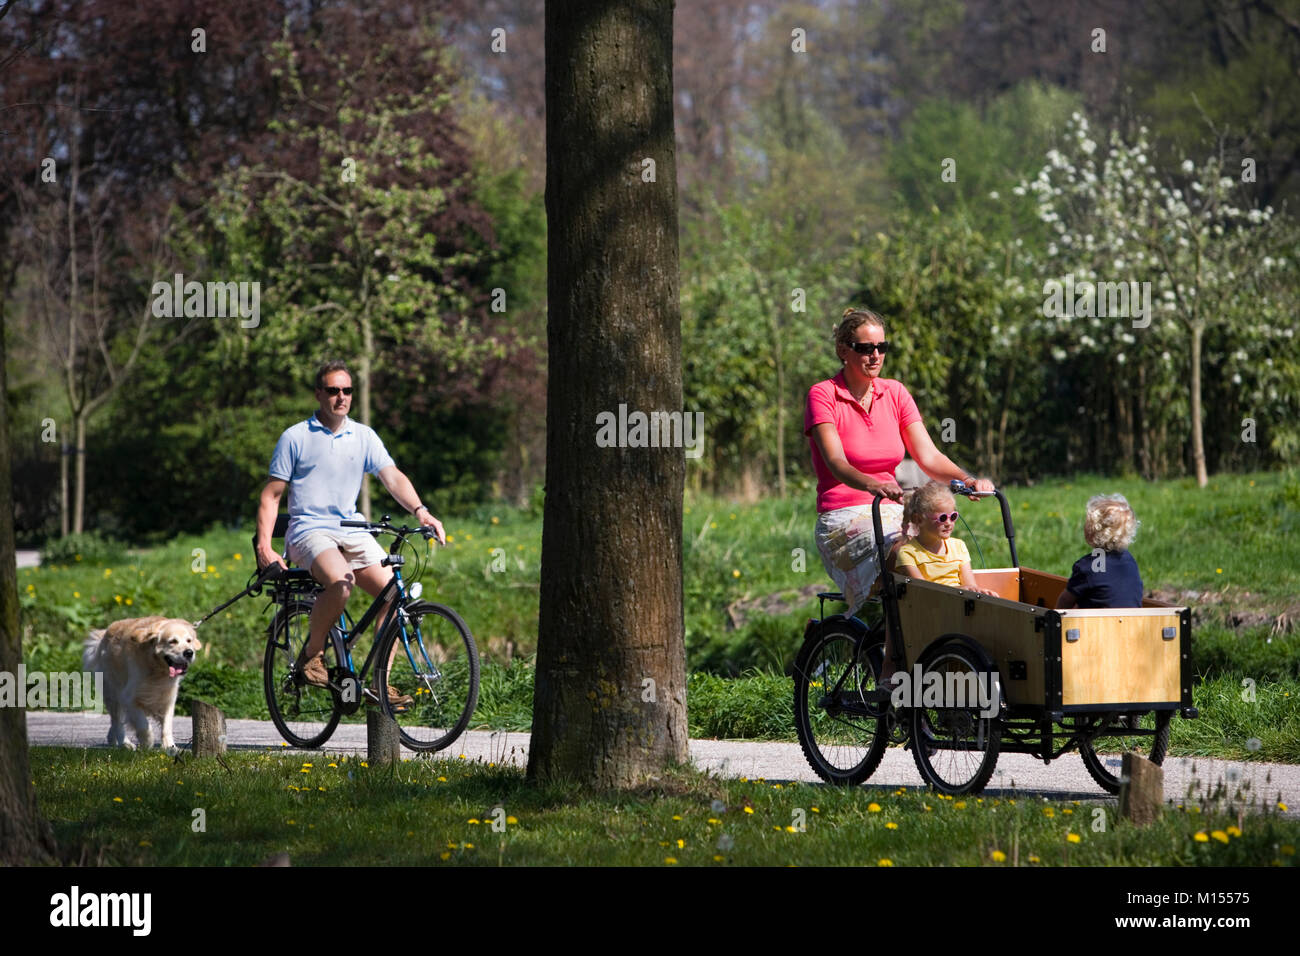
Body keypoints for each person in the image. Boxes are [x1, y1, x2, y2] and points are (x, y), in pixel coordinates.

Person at [805, 307, 994, 684]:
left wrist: (967, 479)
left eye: (882, 347)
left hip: (890, 510)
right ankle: (893, 665)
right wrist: (871, 482)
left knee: (940, 551)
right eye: (864, 347)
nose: (874, 355)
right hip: (843, 517)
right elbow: (836, 461)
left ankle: (937, 656)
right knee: (902, 554)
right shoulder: (823, 395)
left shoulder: (895, 393)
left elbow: (928, 456)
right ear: (844, 349)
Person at [254, 360, 446, 705]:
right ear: (318, 394)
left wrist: (422, 511)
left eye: (347, 390)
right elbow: (272, 495)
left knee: (394, 593)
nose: (340, 397)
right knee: (343, 583)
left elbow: (393, 477)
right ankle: (312, 655)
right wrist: (265, 548)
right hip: (309, 531)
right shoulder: (295, 437)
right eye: (332, 390)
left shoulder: (364, 436)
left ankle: (379, 684)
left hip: (353, 528)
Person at [895, 481, 998, 595]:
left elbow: (970, 585)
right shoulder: (908, 553)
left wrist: (979, 591)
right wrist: (960, 590)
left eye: (953, 516)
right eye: (942, 518)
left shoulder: (958, 546)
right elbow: (923, 592)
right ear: (919, 519)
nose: (949, 523)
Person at [1056, 494, 1144, 609]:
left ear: (1092, 531)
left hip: (1097, 625)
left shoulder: (1088, 566)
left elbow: (1066, 600)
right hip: (1130, 624)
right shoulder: (1130, 562)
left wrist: (1054, 620)